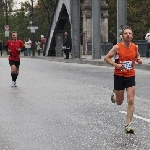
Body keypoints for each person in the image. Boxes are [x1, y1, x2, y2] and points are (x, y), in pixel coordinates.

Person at [104, 26, 142, 134]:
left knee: (131, 99)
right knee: (119, 102)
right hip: (119, 76)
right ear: (122, 36)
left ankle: (128, 125)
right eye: (126, 33)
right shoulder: (117, 47)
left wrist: (138, 59)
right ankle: (114, 96)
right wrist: (116, 64)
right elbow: (106, 58)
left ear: (132, 36)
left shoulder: (135, 47)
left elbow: (136, 56)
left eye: (130, 33)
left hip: (130, 76)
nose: (128, 35)